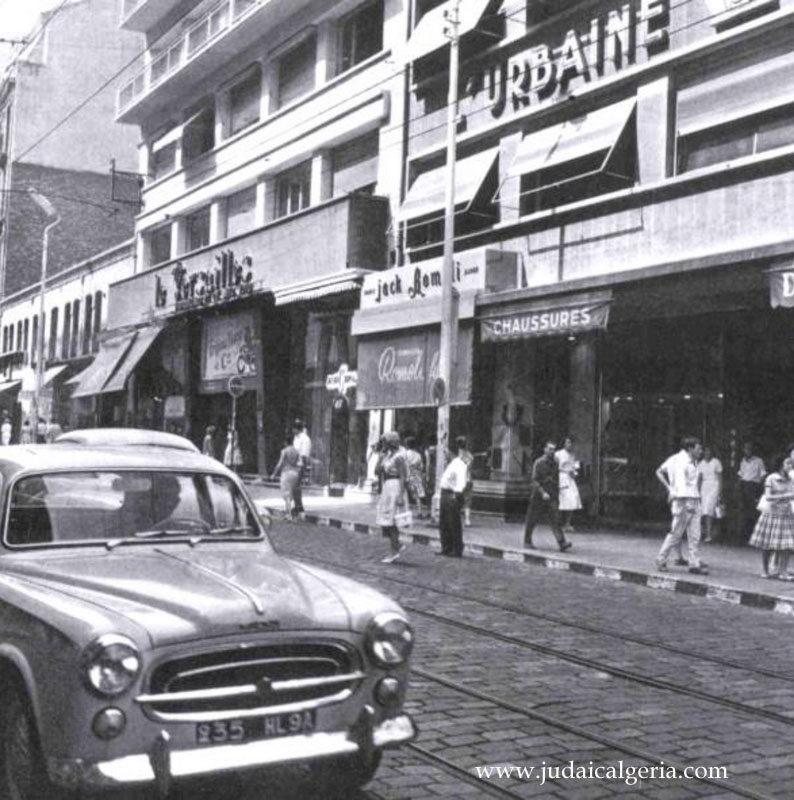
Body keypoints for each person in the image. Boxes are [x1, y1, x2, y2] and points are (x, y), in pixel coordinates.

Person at [655, 436, 708, 575]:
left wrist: (669, 488)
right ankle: (661, 559)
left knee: (695, 533)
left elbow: (659, 471)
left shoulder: (679, 459)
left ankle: (694, 563)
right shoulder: (681, 462)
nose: (701, 451)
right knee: (677, 532)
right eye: (698, 448)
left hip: (693, 498)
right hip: (685, 500)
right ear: (690, 449)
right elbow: (680, 483)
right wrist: (674, 491)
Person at [749, 453, 794, 580]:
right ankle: (765, 570)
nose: (790, 466)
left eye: (791, 463)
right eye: (787, 463)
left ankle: (783, 571)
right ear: (781, 465)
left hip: (786, 514)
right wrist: (786, 496)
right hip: (772, 514)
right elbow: (768, 496)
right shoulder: (771, 478)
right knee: (767, 544)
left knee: (787, 545)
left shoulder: (791, 479)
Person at [524, 441, 572, 552]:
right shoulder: (539, 462)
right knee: (532, 519)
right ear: (545, 449)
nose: (552, 451)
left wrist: (559, 489)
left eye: (553, 449)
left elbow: (556, 478)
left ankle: (562, 542)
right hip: (539, 495)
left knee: (556, 519)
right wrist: (542, 492)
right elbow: (534, 480)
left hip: (552, 494)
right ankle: (527, 541)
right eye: (550, 449)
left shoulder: (555, 462)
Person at [375, 431, 408, 563]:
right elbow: (377, 471)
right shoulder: (387, 456)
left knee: (391, 521)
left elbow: (403, 476)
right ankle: (396, 545)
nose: (383, 444)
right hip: (387, 488)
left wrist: (400, 495)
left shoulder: (399, 457)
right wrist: (380, 457)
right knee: (385, 520)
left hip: (395, 488)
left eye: (384, 442)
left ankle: (393, 551)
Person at [438, 436, 470, 557]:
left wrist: (456, 495)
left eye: (446, 452)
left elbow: (461, 482)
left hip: (452, 495)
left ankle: (456, 549)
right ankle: (446, 547)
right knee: (444, 522)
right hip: (445, 493)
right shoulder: (453, 463)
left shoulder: (460, 464)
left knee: (453, 523)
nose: (445, 454)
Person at [738, 442, 766, 543]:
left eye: (749, 449)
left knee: (753, 511)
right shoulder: (743, 461)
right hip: (744, 485)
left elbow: (763, 474)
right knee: (744, 511)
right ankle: (744, 536)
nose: (747, 451)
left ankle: (753, 536)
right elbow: (741, 474)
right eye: (745, 449)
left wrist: (759, 488)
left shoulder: (758, 461)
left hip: (754, 486)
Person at [555, 436, 582, 533]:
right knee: (562, 501)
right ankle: (558, 524)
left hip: (570, 479)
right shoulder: (558, 454)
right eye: (568, 442)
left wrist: (574, 473)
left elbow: (575, 467)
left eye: (571, 443)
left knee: (573, 499)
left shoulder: (573, 455)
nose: (569, 445)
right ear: (564, 443)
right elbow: (555, 467)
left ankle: (567, 524)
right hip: (562, 478)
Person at [270, 435, 302, 519]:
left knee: (287, 494)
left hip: (286, 472)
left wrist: (274, 474)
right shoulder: (296, 451)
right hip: (295, 473)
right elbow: (300, 463)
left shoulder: (284, 451)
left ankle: (289, 514)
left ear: (285, 442)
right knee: (292, 492)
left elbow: (279, 464)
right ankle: (293, 513)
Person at [698, 445, 723, 543]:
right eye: (705, 451)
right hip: (704, 488)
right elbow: (699, 479)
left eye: (709, 451)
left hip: (714, 487)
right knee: (703, 511)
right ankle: (701, 533)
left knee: (709, 511)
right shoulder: (701, 463)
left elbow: (720, 478)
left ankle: (709, 534)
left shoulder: (716, 462)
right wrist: (698, 491)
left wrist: (720, 491)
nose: (707, 453)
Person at [403, 436, 426, 519]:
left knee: (405, 494)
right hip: (416, 476)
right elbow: (421, 467)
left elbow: (403, 465)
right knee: (417, 495)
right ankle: (419, 511)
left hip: (407, 475)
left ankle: (406, 512)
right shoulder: (418, 455)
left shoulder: (404, 454)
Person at [293, 419, 312, 484]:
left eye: (294, 429)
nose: (293, 431)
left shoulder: (305, 439)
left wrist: (302, 468)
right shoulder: (296, 438)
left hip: (299, 464)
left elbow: (304, 455)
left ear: (296, 429)